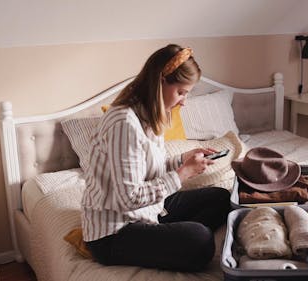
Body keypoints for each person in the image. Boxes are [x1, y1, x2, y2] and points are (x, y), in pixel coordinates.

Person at [81, 44, 231, 271]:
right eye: (181, 92)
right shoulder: (124, 123)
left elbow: (148, 168)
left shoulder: (150, 114)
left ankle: (168, 238)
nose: (183, 101)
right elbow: (129, 198)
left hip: (148, 210)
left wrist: (182, 160)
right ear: (160, 81)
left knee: (221, 198)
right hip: (115, 231)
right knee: (200, 240)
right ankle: (174, 239)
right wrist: (182, 174)